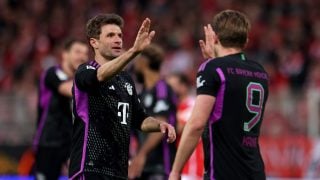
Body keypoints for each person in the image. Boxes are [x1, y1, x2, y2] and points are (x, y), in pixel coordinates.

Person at [69, 14, 176, 180]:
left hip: (119, 171)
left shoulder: (126, 80)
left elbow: (139, 119)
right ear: (94, 43)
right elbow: (100, 75)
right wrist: (134, 52)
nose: (118, 40)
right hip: (90, 168)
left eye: (119, 35)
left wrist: (160, 124)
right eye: (110, 35)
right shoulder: (85, 71)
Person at [169, 10, 269, 180]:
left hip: (223, 172)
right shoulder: (260, 72)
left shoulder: (212, 69)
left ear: (214, 37)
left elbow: (196, 124)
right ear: (245, 41)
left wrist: (176, 171)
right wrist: (213, 60)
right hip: (255, 171)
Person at [33, 39, 89, 180]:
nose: (82, 57)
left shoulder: (81, 79)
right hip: (48, 142)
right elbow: (68, 89)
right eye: (77, 52)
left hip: (72, 142)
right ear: (65, 54)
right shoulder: (52, 73)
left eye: (85, 53)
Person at [128, 44, 177, 180]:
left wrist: (141, 155)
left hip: (161, 166)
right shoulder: (141, 94)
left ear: (144, 62)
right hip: (142, 166)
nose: (135, 65)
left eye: (137, 60)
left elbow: (162, 124)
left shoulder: (162, 89)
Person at [166, 73, 204, 180]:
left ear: (183, 86)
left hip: (191, 167)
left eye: (172, 86)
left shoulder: (193, 105)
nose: (168, 91)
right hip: (177, 167)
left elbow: (178, 128)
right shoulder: (175, 107)